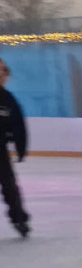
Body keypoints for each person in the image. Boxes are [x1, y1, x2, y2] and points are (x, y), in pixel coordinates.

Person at [0, 58, 31, 238]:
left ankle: (19, 219)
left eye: (3, 70)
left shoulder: (8, 99)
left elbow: (18, 125)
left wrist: (21, 147)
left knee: (10, 187)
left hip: (0, 152)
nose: (2, 74)